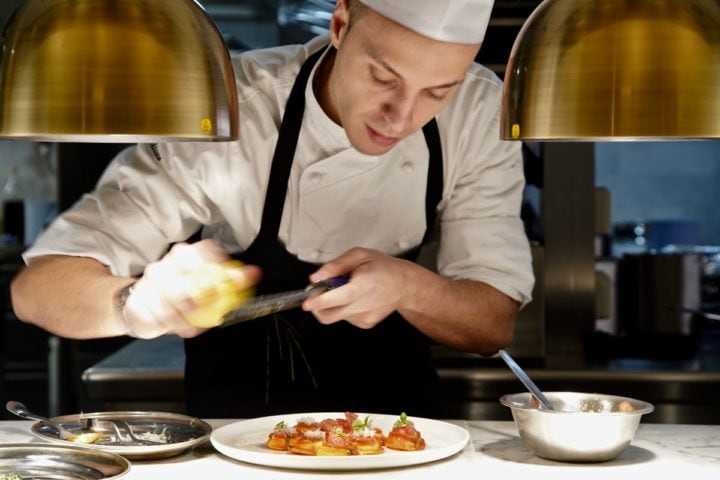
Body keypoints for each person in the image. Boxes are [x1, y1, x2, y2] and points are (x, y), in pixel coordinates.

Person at [10, 0, 534, 418]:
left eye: (437, 92)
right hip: (233, 444)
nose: (401, 117)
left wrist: (409, 287)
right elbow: (38, 290)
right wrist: (135, 304)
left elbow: (492, 326)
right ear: (341, 22)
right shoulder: (237, 106)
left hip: (405, 443)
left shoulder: (477, 115)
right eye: (383, 77)